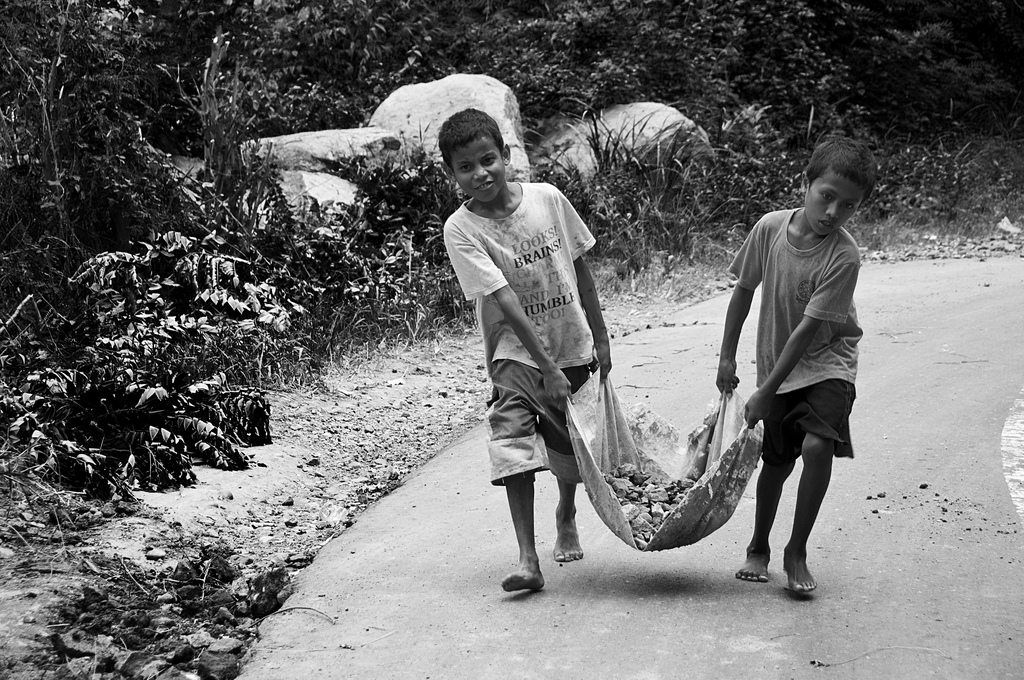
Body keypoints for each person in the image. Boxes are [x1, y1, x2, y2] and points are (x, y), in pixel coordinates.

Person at [438, 108, 612, 592]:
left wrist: (600, 337)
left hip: (571, 344)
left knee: (570, 451)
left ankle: (566, 511)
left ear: (506, 155)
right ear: (451, 174)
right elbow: (504, 299)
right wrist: (545, 367)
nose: (480, 173)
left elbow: (581, 269)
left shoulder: (548, 199)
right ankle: (527, 559)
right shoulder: (461, 229)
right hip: (513, 353)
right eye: (466, 167)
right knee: (512, 443)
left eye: (487, 160)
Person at [716, 137, 878, 593]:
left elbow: (807, 331)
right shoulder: (769, 229)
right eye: (826, 196)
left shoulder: (844, 256)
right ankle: (758, 545)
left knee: (817, 446)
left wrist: (764, 391)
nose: (833, 212)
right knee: (776, 462)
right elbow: (743, 291)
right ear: (805, 184)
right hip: (776, 364)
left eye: (848, 206)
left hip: (828, 362)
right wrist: (726, 356)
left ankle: (797, 551)